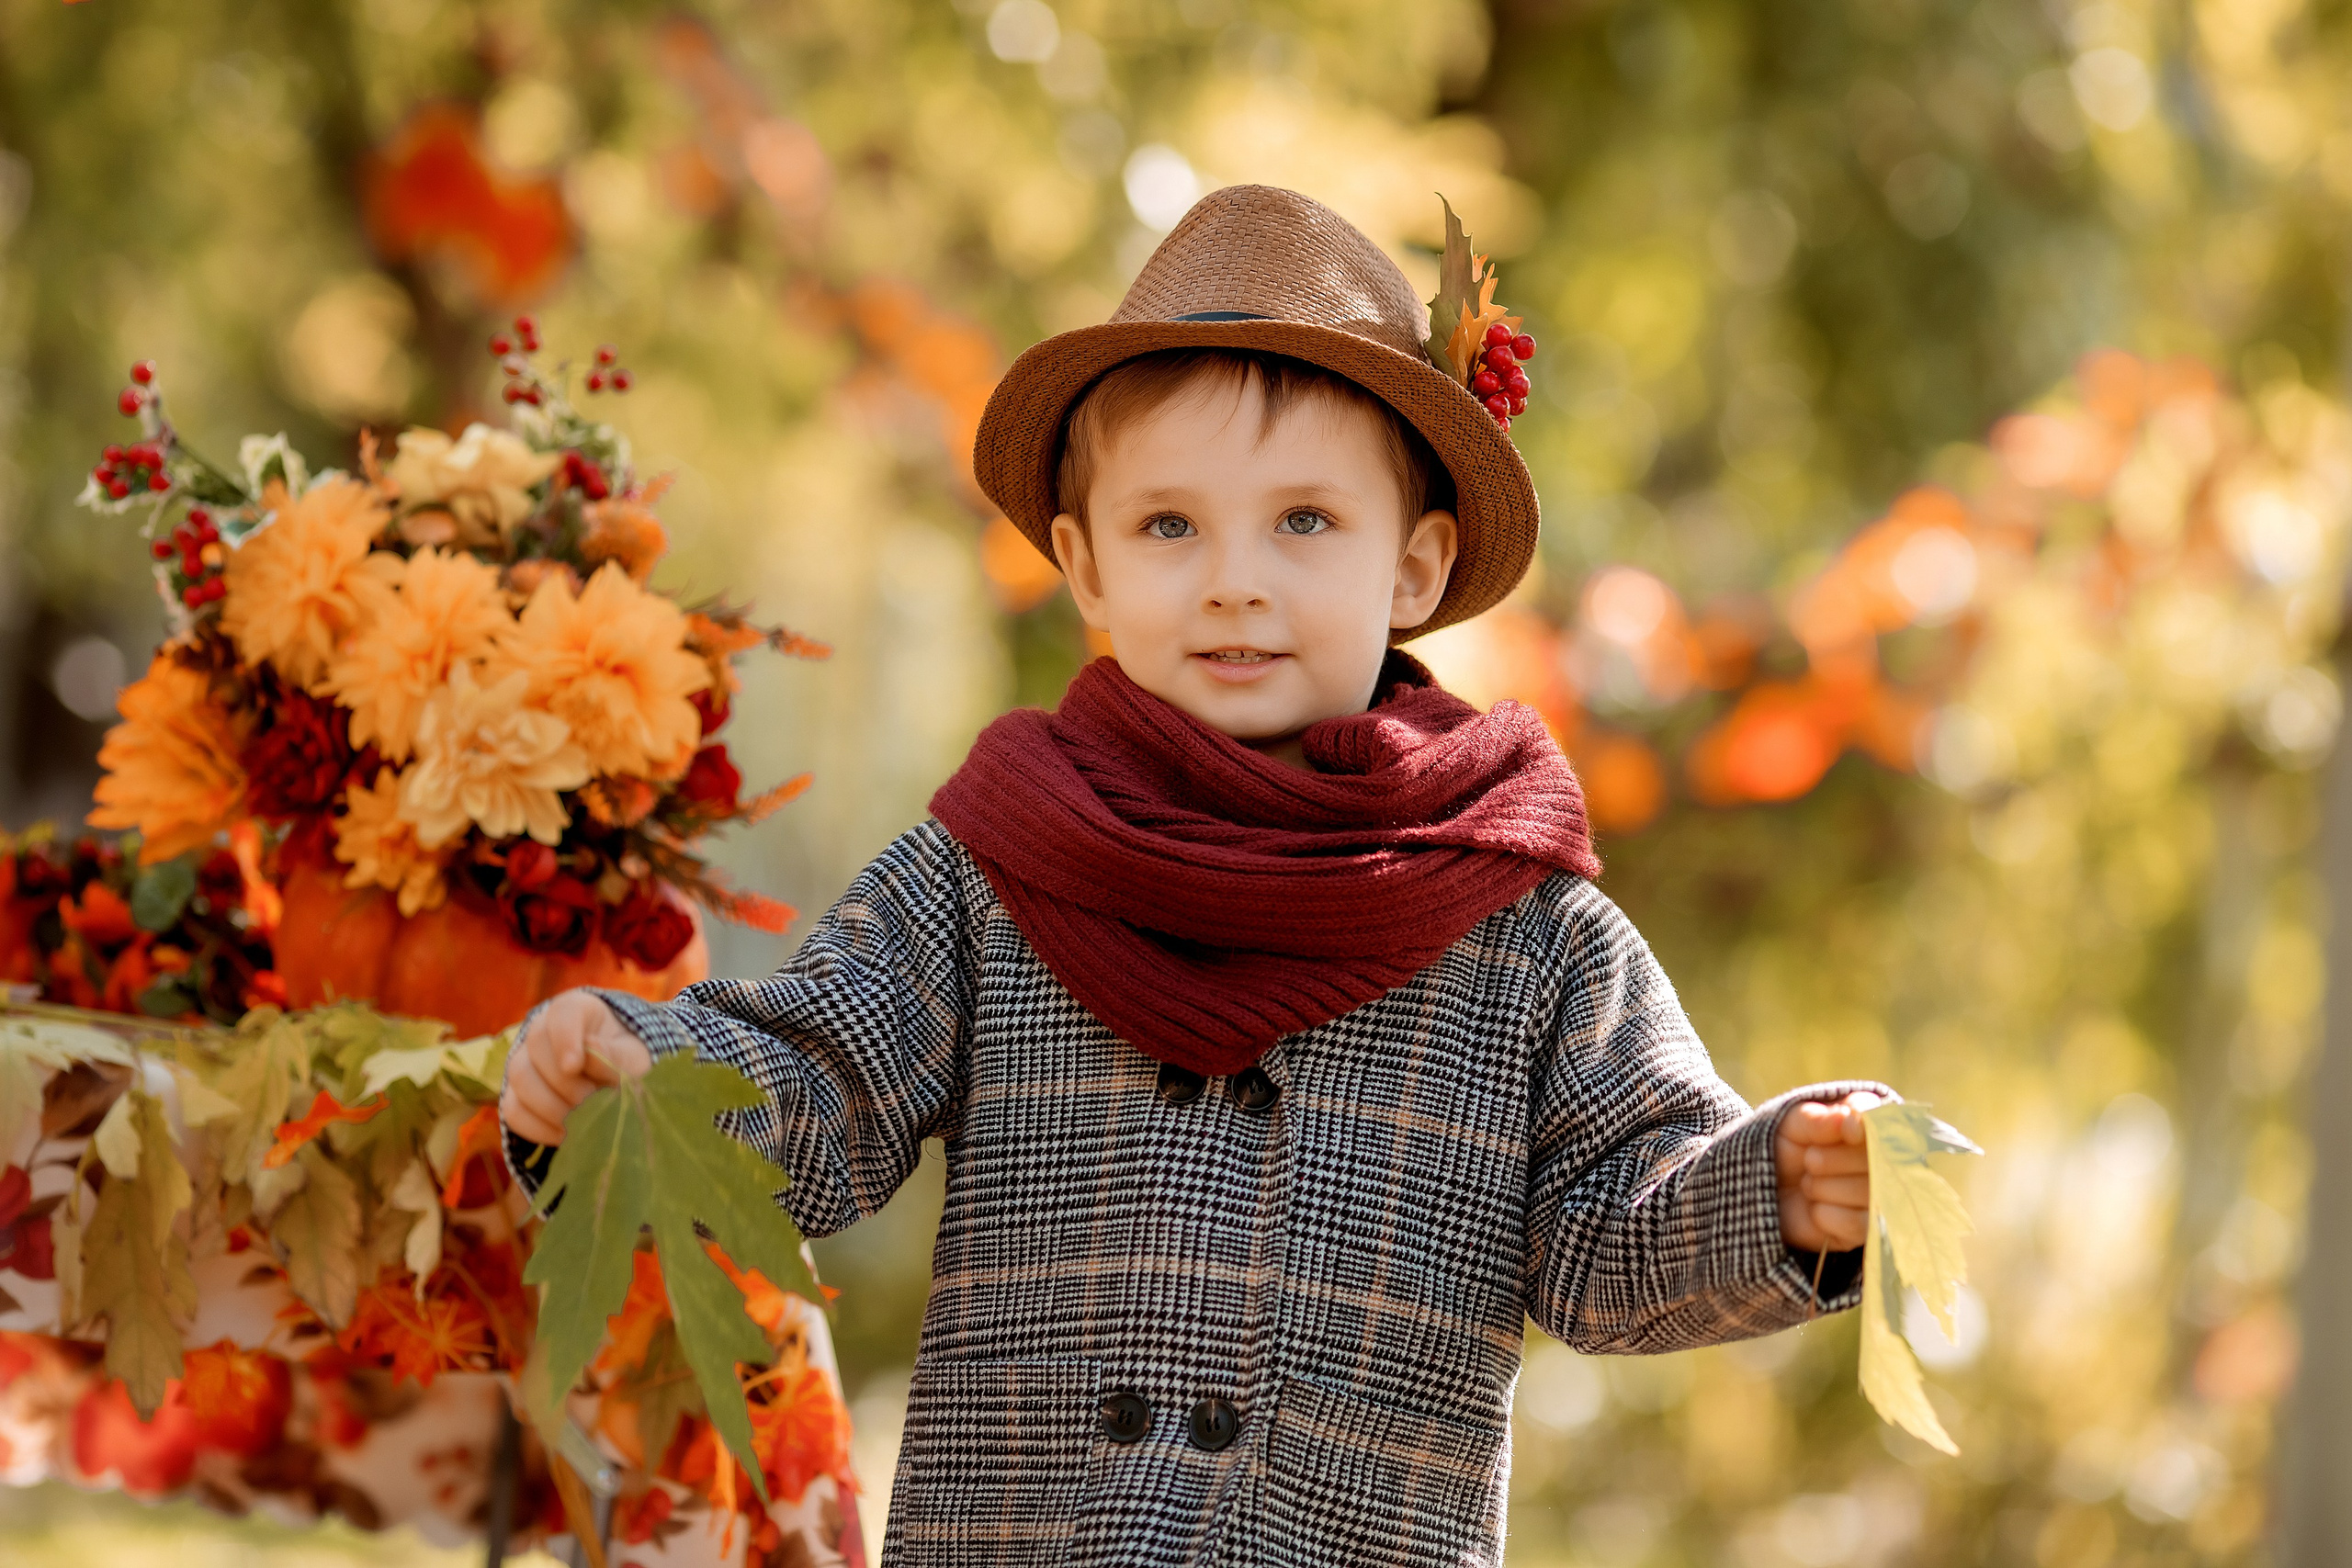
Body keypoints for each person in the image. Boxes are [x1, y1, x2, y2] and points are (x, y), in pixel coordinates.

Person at [502, 185, 1890, 1567]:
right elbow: (825, 1075)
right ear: (1084, 566)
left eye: (1303, 523)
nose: (1234, 581)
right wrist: (644, 1086)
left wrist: (1773, 1191)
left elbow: (1612, 1225)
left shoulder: (1518, 921)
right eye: (1171, 527)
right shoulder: (992, 867)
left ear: (1413, 567)